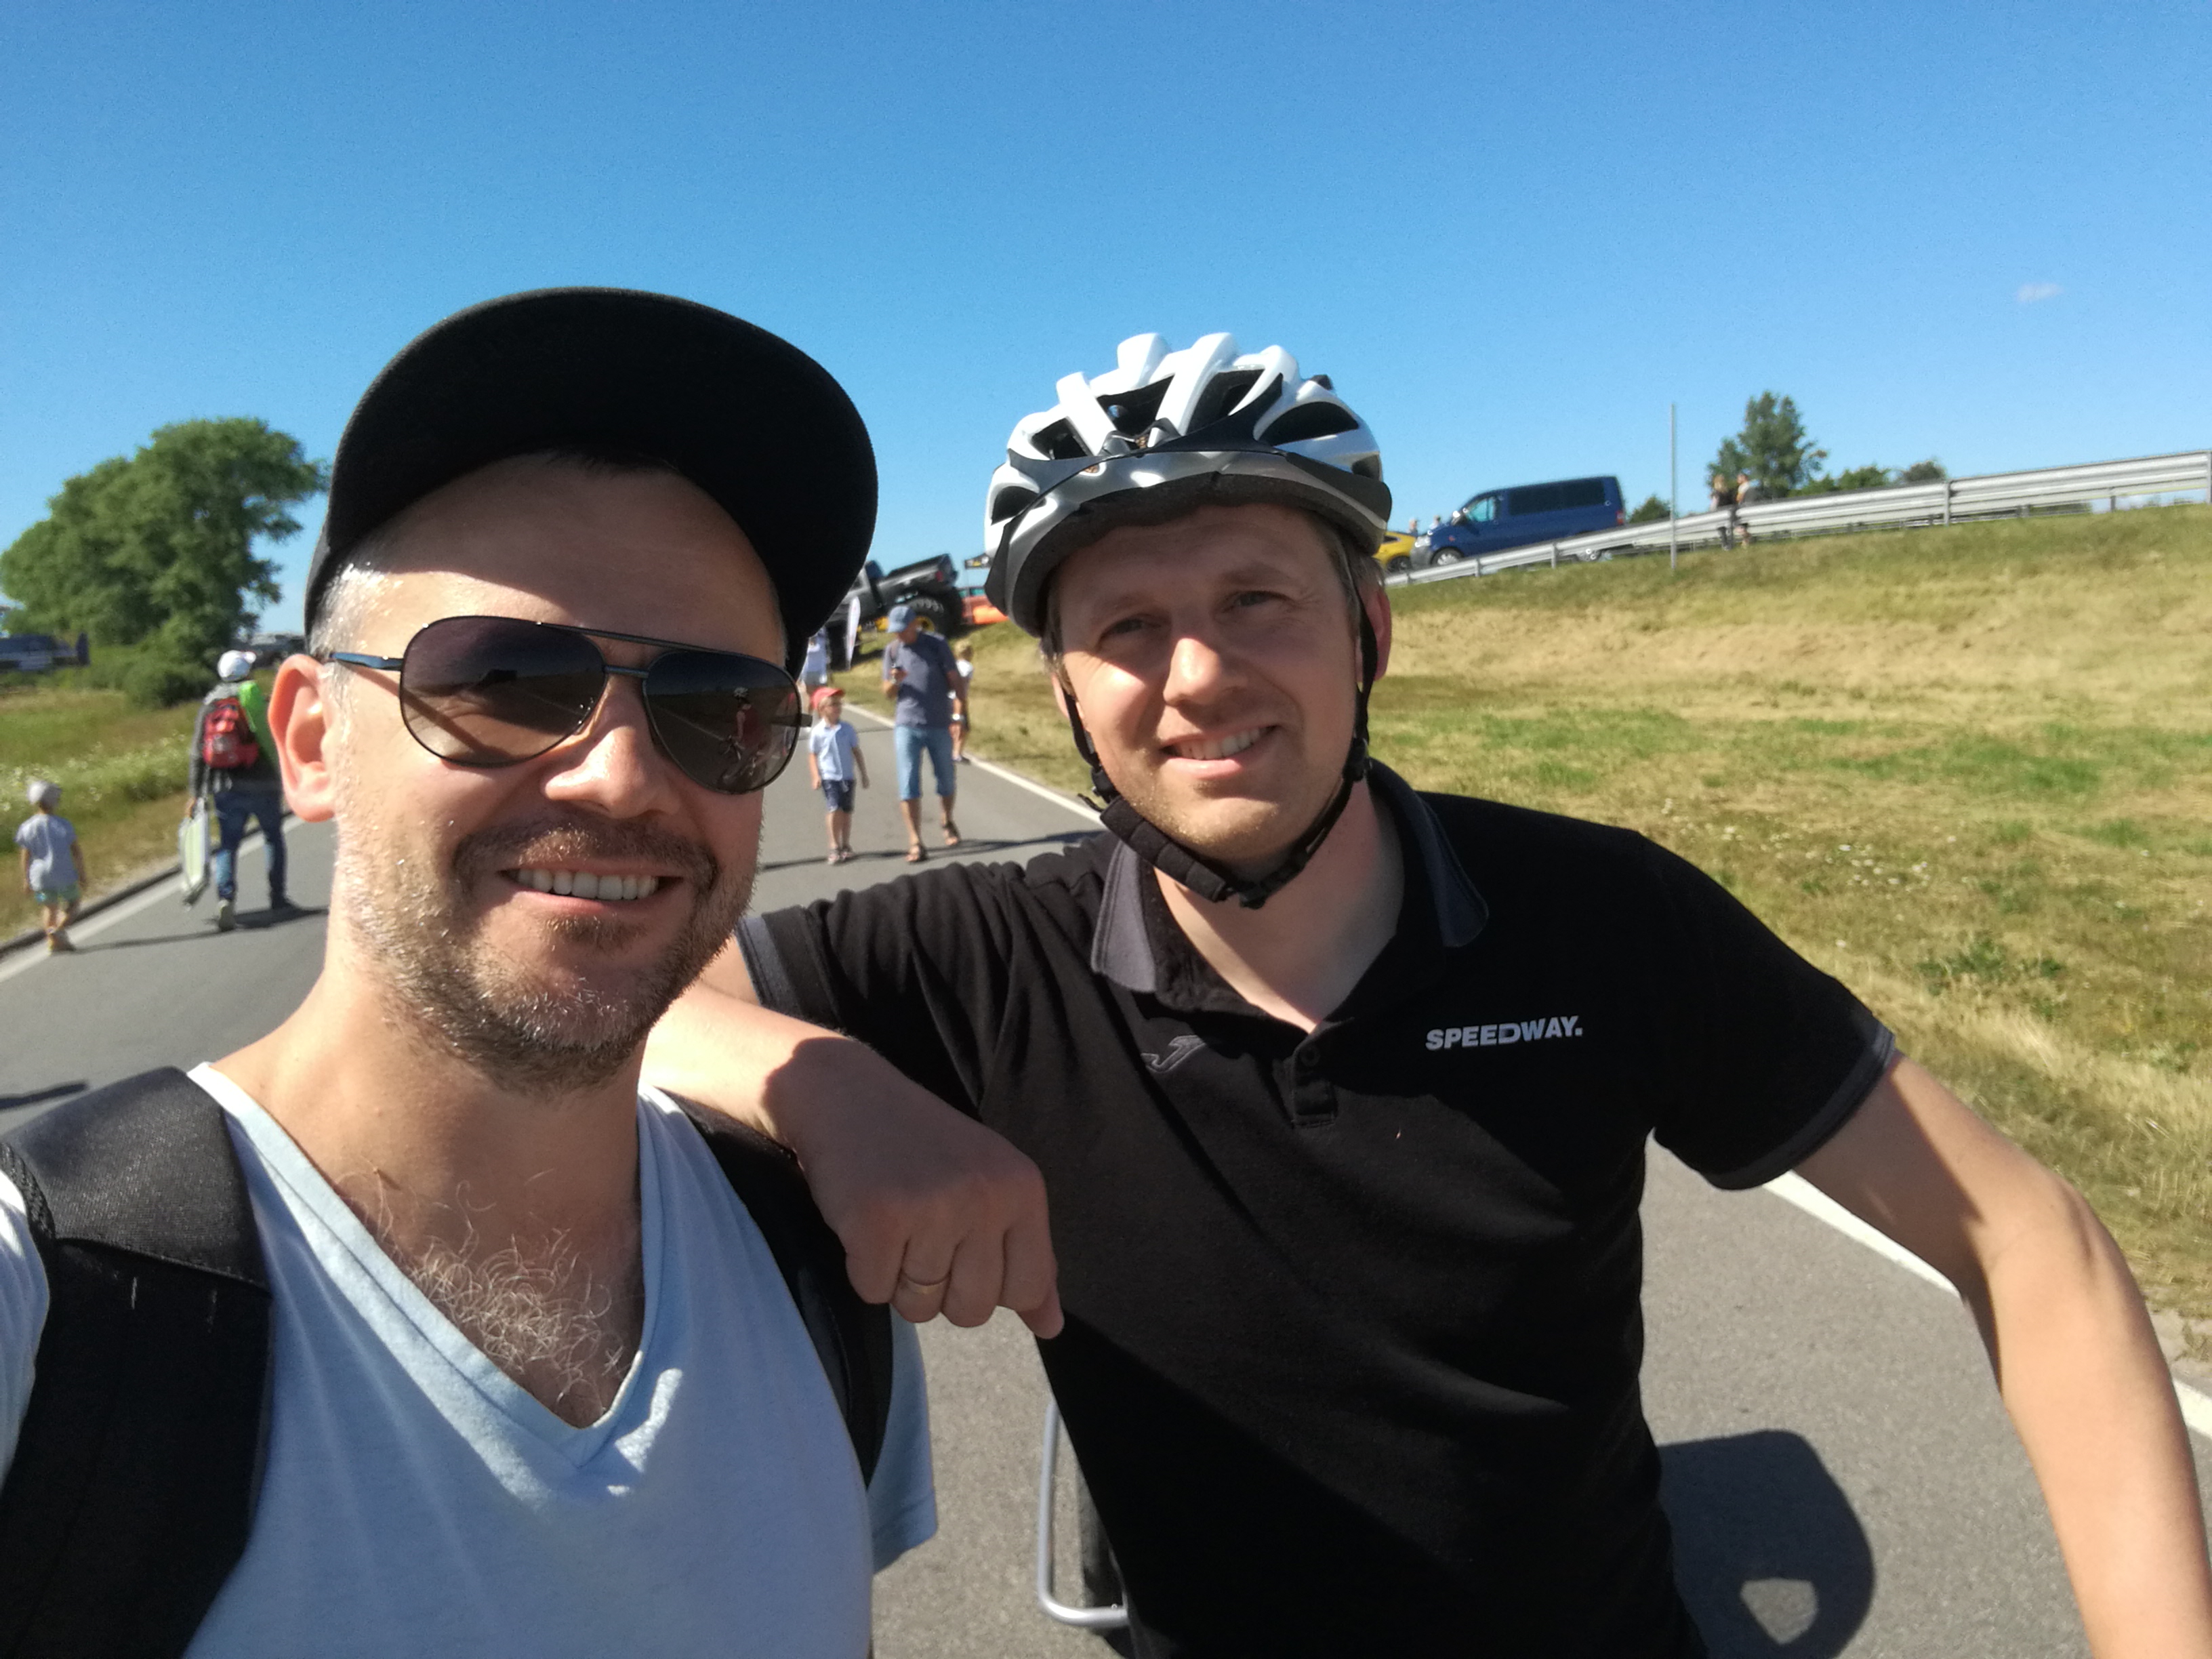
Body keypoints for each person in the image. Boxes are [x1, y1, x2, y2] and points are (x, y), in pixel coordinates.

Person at [650, 329, 2212, 1657]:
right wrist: (826, 1087)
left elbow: (2028, 1238)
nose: (1197, 673)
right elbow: (632, 996)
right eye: (1126, 628)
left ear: (1370, 629)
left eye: (1258, 599)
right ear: (1062, 689)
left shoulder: (1598, 917)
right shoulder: (991, 954)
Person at [0, 289, 960, 1656]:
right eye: (505, 677)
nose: (622, 775)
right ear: (312, 740)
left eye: (715, 704)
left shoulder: (813, 1264)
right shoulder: (55, 1302)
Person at [189, 646, 291, 930]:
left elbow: (197, 753)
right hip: (263, 784)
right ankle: (278, 898)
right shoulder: (256, 699)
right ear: (247, 673)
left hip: (225, 787)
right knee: (272, 838)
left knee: (228, 845)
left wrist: (195, 793)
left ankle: (226, 898)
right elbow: (275, 736)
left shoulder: (210, 705)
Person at [878, 603, 959, 862]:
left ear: (915, 624)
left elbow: (955, 680)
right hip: (907, 725)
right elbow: (887, 693)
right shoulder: (893, 651)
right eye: (896, 631)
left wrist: (960, 715)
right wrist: (896, 680)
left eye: (903, 629)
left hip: (939, 723)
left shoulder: (937, 644)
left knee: (946, 779)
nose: (899, 634)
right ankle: (915, 840)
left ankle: (947, 819)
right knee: (908, 782)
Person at [14, 779, 85, 954]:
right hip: (63, 873)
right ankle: (59, 930)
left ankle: (52, 943)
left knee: (49, 908)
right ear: (54, 801)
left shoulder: (27, 827)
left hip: (40, 876)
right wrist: (82, 874)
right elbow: (76, 851)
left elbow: (25, 856)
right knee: (74, 902)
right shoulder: (63, 824)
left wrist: (26, 879)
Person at [808, 685, 868, 863]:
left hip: (847, 777)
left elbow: (856, 751)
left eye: (839, 704)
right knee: (834, 809)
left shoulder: (847, 729)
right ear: (822, 709)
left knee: (847, 812)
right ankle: (834, 845)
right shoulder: (818, 732)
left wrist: (863, 774)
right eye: (833, 704)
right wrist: (816, 775)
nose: (837, 708)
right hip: (829, 777)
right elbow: (813, 755)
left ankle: (846, 844)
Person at [949, 640, 975, 763]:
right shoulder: (968, 667)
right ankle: (957, 753)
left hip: (948, 698)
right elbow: (962, 683)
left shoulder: (954, 664)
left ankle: (950, 751)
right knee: (963, 727)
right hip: (958, 698)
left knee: (951, 725)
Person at [799, 626, 832, 691]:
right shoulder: (806, 643)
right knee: (810, 691)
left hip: (820, 671)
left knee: (821, 691)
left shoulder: (821, 640)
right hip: (808, 671)